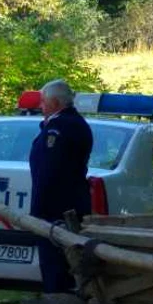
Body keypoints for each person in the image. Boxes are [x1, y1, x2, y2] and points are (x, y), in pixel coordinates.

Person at [29, 79, 93, 293]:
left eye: (43, 102)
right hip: (64, 207)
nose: (40, 106)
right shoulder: (69, 124)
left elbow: (49, 172)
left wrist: (38, 210)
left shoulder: (61, 127)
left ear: (55, 102)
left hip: (56, 210)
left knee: (55, 268)